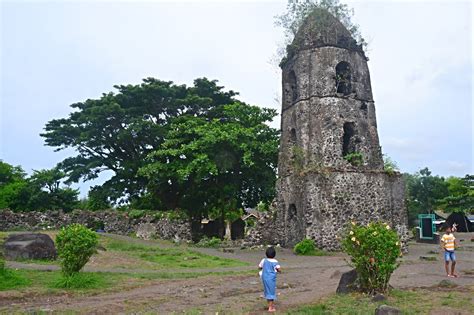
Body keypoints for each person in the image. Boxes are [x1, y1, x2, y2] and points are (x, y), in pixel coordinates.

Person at [258, 246, 281, 312]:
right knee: (271, 292)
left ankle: (270, 305)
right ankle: (270, 308)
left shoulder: (263, 260)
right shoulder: (275, 261)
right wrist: (279, 271)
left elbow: (259, 267)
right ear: (274, 254)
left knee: (267, 291)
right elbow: (279, 269)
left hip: (264, 278)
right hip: (271, 279)